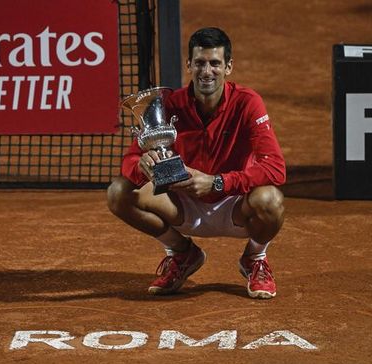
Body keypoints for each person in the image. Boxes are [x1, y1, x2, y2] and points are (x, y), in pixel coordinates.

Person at [107, 27, 286, 299]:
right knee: (119, 192)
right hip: (183, 204)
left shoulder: (248, 103)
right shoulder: (169, 104)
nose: (206, 71)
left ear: (228, 67)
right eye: (200, 63)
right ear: (189, 65)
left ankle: (255, 258)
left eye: (215, 63)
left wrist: (218, 182)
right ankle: (181, 252)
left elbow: (275, 168)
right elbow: (129, 160)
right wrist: (141, 165)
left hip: (234, 204)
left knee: (271, 200)